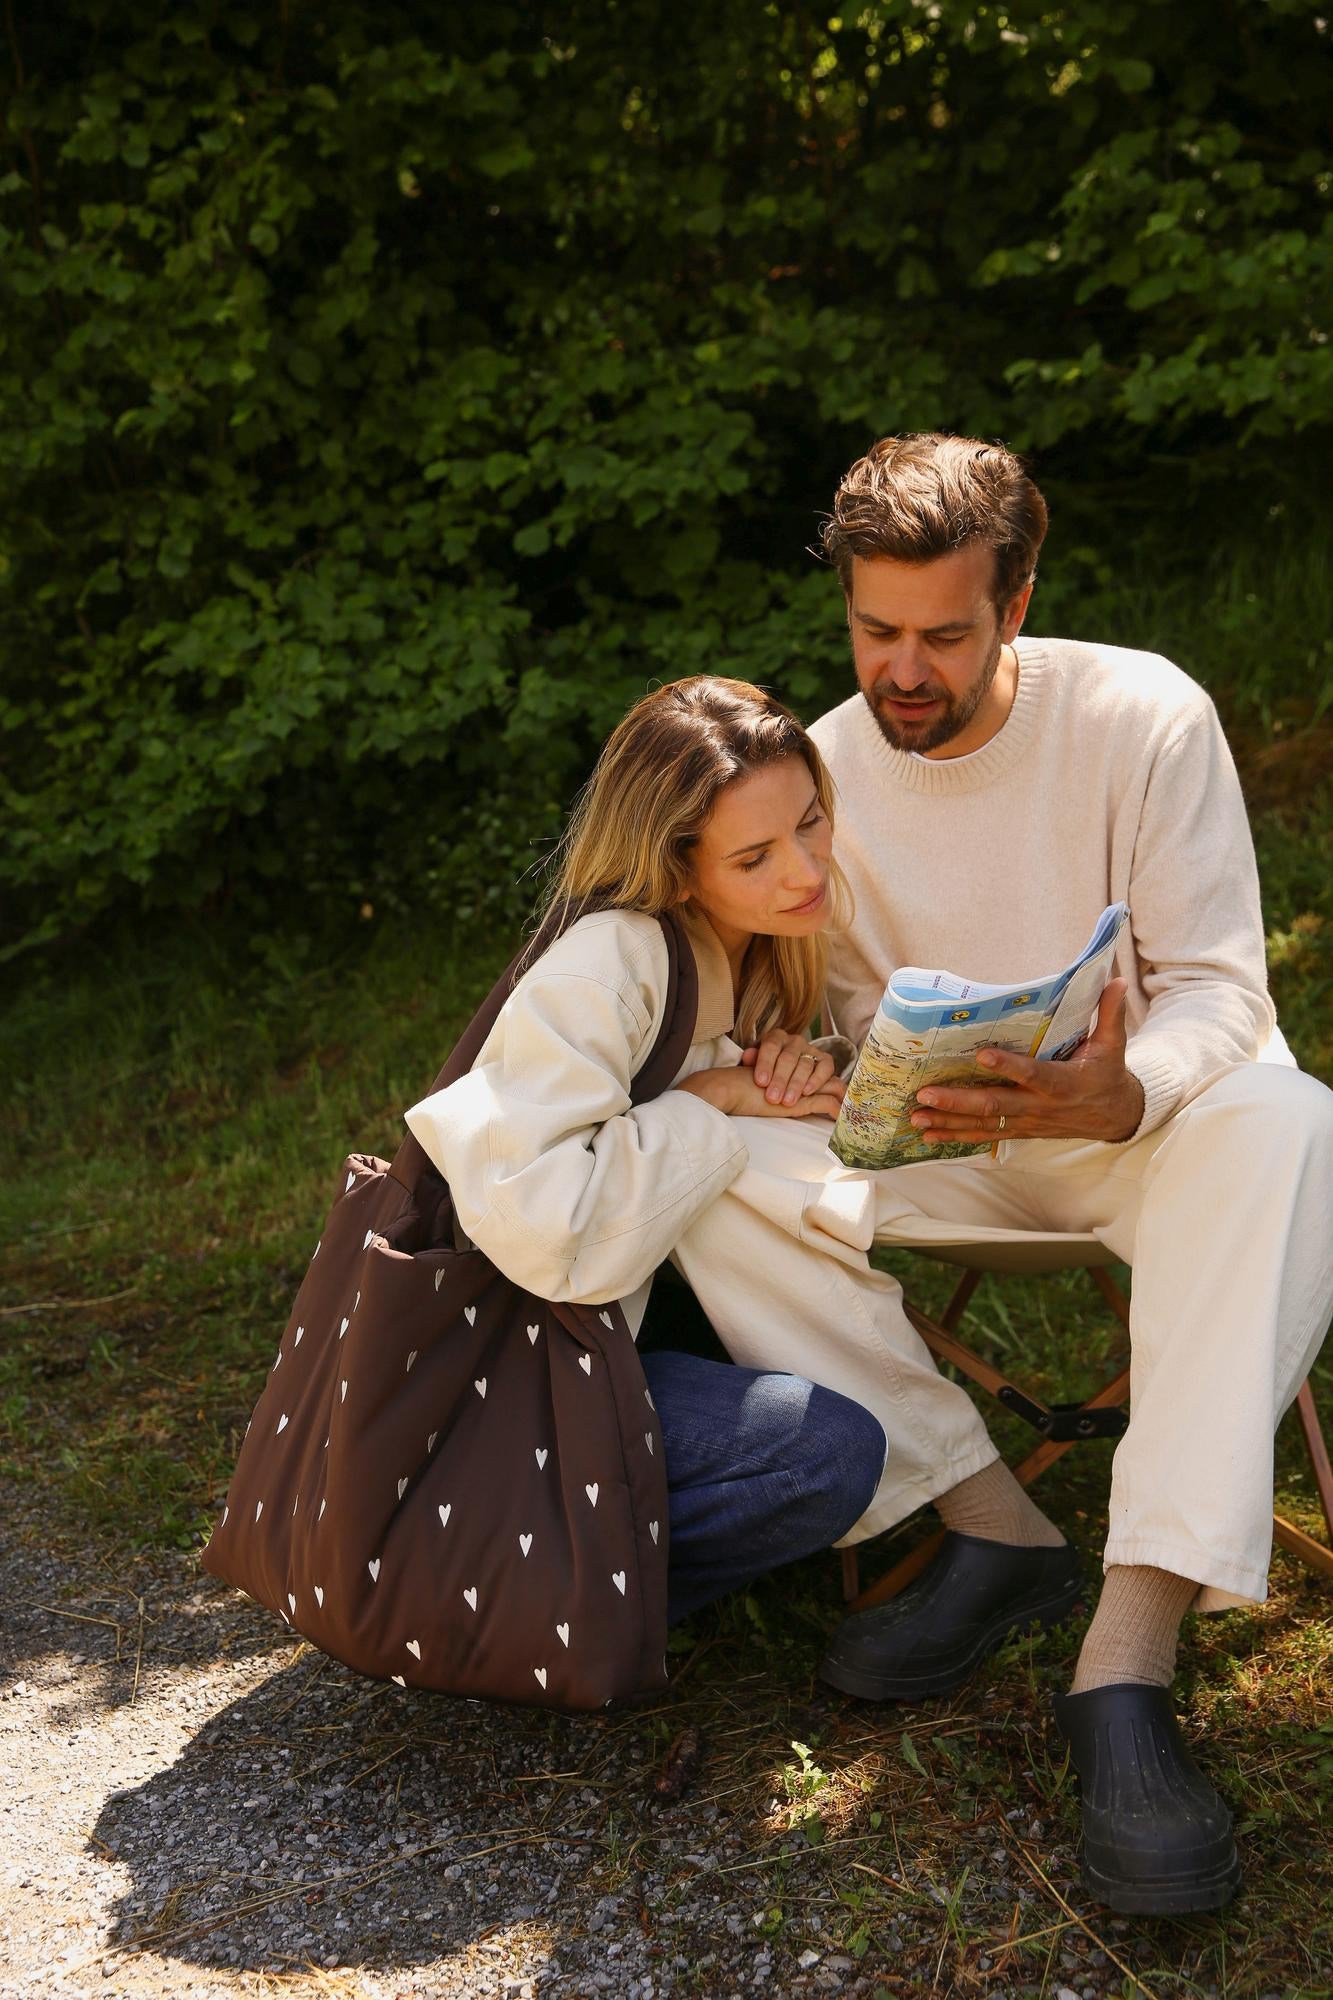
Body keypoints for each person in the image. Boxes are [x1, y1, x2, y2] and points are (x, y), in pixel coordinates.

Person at [669, 433, 1333, 1917]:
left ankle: (1125, 1662)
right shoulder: (822, 769)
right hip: (939, 1145)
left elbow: (1221, 990)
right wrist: (798, 1068)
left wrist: (1124, 1088)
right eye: (874, 630)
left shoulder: (1142, 714)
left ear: (1017, 602)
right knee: (707, 1159)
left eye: (943, 636)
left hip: (1142, 1135)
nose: (902, 672)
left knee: (1295, 1119)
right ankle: (993, 1523)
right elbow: (824, 1013)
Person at [402, 675, 892, 1627]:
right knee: (830, 1453)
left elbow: (727, 1095)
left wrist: (800, 1064)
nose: (803, 870)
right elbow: (555, 1237)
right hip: (521, 1366)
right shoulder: (609, 965)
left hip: (651, 1325)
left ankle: (545, 1557)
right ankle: (502, 1596)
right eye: (753, 856)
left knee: (848, 1394)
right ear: (676, 869)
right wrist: (713, 1099)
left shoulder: (761, 940)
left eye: (810, 822)